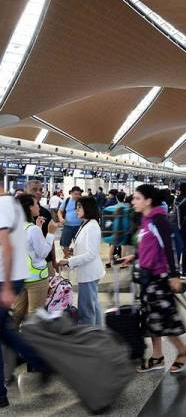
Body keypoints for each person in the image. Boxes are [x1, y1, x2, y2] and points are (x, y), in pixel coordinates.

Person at [123, 184, 186, 374]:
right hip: (147, 278)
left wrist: (174, 275)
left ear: (148, 200)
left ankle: (183, 351)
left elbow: (169, 248)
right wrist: (134, 256)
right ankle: (157, 356)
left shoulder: (158, 219)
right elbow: (148, 246)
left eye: (137, 198)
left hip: (159, 278)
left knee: (165, 320)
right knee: (151, 320)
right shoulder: (145, 219)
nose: (133, 201)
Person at [0, 168, 49, 408]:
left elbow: (7, 248)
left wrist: (8, 287)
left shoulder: (3, 205)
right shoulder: (12, 204)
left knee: (7, 330)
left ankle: (38, 360)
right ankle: (38, 361)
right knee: (6, 331)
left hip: (6, 280)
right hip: (16, 277)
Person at [58, 196, 104, 326]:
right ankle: (98, 334)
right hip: (88, 272)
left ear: (88, 208)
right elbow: (85, 247)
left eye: (79, 207)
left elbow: (91, 254)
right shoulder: (86, 224)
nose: (76, 210)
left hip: (89, 273)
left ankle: (88, 339)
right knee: (93, 306)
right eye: (76, 207)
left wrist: (69, 261)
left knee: (86, 310)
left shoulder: (92, 226)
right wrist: (74, 250)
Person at [14, 194, 57, 324]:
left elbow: (27, 248)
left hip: (19, 278)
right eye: (36, 204)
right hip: (37, 279)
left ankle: (10, 341)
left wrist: (37, 228)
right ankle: (30, 342)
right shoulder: (32, 230)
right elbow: (43, 253)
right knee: (35, 316)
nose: (38, 206)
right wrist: (50, 234)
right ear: (29, 208)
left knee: (17, 312)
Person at [26, 180, 58, 275]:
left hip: (45, 261)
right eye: (34, 190)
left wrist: (54, 260)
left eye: (40, 190)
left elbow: (50, 238)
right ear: (26, 191)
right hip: (24, 263)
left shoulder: (45, 213)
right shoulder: (18, 213)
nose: (38, 192)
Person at [58, 186, 83, 258]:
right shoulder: (67, 201)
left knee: (80, 243)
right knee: (65, 243)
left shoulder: (82, 201)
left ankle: (78, 257)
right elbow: (60, 211)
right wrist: (61, 218)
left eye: (79, 194)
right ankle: (66, 257)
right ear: (71, 193)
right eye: (75, 194)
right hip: (67, 225)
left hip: (79, 226)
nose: (77, 196)